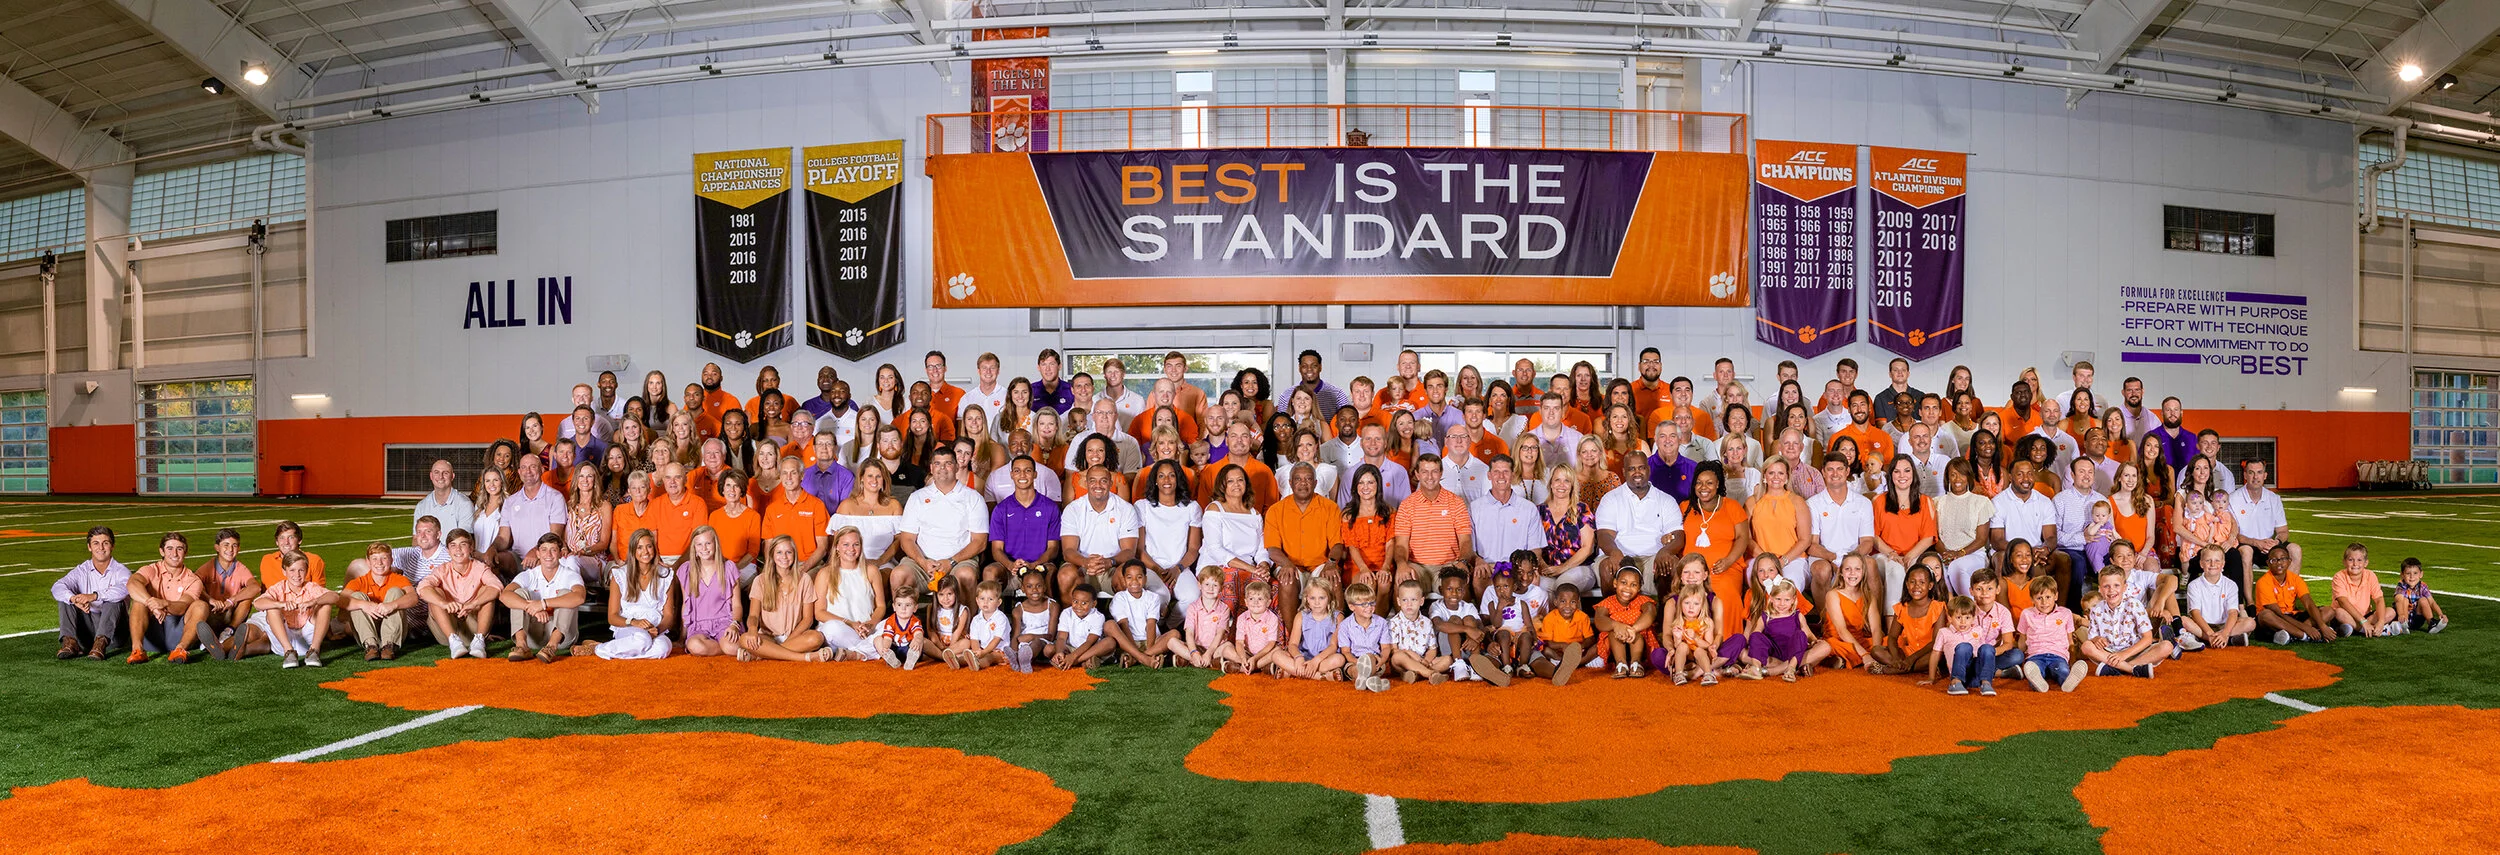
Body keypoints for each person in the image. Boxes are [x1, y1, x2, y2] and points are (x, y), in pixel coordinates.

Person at [895, 446, 991, 597]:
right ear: (931, 468)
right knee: (899, 574)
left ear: (957, 466)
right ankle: (904, 621)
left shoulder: (973, 498)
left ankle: (967, 620)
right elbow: (906, 539)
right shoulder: (917, 497)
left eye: (948, 463)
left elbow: (980, 542)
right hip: (922, 563)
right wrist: (923, 562)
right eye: (938, 464)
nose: (942, 468)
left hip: (959, 562)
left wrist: (951, 562)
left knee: (966, 575)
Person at [1594, 453, 1686, 595]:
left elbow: (1678, 535)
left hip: (1653, 558)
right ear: (1624, 472)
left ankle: (1664, 615)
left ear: (1648, 470)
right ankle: (1611, 614)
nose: (1637, 472)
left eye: (1641, 468)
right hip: (1621, 556)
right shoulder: (1611, 498)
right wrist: (1614, 552)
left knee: (1670, 563)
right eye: (1632, 469)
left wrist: (1666, 551)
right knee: (1607, 566)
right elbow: (1604, 535)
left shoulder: (1665, 500)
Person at [1392, 454, 1475, 595]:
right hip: (1417, 566)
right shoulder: (1407, 505)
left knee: (1459, 583)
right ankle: (1403, 618)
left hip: (1448, 565)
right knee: (1402, 583)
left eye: (1434, 471)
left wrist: (1463, 562)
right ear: (1417, 474)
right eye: (1424, 471)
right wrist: (1401, 565)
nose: (1430, 477)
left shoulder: (1456, 502)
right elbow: (1401, 545)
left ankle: (1462, 616)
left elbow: (1465, 540)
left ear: (1441, 473)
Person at [119, 532, 208, 664]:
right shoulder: (150, 569)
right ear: (162, 551)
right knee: (138, 602)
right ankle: (137, 650)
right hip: (151, 633)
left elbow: (182, 606)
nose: (175, 553)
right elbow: (132, 583)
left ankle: (180, 649)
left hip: (177, 632)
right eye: (169, 548)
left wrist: (163, 603)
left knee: (201, 605)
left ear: (185, 552)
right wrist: (151, 604)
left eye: (179, 549)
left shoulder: (194, 580)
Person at [500, 534, 587, 663]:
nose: (548, 554)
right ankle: (522, 646)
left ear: (560, 553)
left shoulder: (570, 575)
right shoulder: (529, 575)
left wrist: (543, 604)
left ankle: (551, 647)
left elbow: (579, 597)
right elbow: (504, 595)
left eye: (553, 549)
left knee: (567, 593)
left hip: (562, 636)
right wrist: (531, 607)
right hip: (533, 635)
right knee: (519, 593)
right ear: (538, 554)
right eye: (544, 550)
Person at [592, 529, 677, 660]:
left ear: (654, 549)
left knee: (664, 647)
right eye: (640, 548)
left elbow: (669, 615)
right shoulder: (620, 575)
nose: (645, 552)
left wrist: (658, 630)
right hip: (628, 627)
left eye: (649, 546)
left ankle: (616, 651)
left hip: (654, 628)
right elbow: (612, 617)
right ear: (633, 551)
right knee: (642, 640)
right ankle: (599, 649)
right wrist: (634, 622)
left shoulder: (665, 574)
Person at [739, 536, 827, 663]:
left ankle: (763, 654)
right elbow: (753, 615)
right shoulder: (760, 580)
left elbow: (807, 619)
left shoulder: (805, 579)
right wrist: (752, 630)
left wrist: (790, 639)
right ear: (772, 555)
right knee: (744, 639)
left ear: (794, 554)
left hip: (795, 636)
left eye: (788, 552)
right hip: (768, 637)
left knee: (816, 638)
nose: (784, 557)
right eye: (779, 552)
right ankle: (802, 657)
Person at [418, 529, 502, 659]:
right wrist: (444, 603)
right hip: (447, 629)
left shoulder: (480, 568)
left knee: (487, 590)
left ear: (471, 548)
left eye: (463, 544)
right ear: (448, 551)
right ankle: (454, 642)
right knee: (436, 592)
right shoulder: (442, 570)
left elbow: (497, 587)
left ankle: (479, 640)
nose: (458, 549)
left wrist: (473, 603)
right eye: (453, 545)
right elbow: (422, 588)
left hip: (472, 627)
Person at [242, 552, 336, 668]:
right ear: (284, 571)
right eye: (292, 570)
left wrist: (314, 602)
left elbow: (334, 597)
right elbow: (257, 603)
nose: (297, 575)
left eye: (301, 570)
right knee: (272, 608)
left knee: (325, 604)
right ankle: (289, 652)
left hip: (307, 640)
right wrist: (280, 604)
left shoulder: (311, 587)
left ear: (306, 571)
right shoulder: (278, 588)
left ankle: (314, 651)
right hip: (284, 641)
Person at [985, 455, 1063, 593]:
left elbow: (1053, 548)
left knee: (1051, 570)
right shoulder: (1001, 509)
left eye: (1027, 470)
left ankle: (1051, 611)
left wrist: (1035, 564)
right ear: (1011, 475)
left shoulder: (1050, 507)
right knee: (990, 571)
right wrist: (1010, 565)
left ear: (1035, 474)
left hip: (1039, 566)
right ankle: (991, 614)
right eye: (1017, 471)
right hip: (1010, 568)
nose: (1022, 475)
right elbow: (996, 549)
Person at [1804, 454, 1877, 601]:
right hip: (1824, 557)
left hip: (1855, 555)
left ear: (1847, 471)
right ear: (1823, 472)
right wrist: (1834, 558)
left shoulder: (1863, 503)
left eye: (1839, 469)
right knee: (1821, 570)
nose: (1835, 474)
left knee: (1871, 565)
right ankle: (1828, 622)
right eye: (1830, 470)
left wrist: (1848, 562)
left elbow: (1867, 542)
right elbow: (1812, 545)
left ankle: (1873, 621)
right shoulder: (1813, 503)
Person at [812, 527, 891, 663]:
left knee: (895, 622)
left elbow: (881, 606)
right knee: (831, 628)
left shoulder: (871, 571)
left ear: (861, 546)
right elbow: (819, 613)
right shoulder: (825, 574)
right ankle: (872, 650)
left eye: (856, 544)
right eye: (846, 544)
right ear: (837, 547)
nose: (851, 549)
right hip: (842, 630)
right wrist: (850, 624)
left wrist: (871, 624)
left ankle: (855, 653)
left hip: (867, 630)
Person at [1265, 461, 1342, 595]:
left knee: (1332, 579)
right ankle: (1291, 618)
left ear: (1315, 483)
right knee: (1287, 580)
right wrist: (1287, 564)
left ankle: (1337, 617)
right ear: (1290, 483)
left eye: (1308, 479)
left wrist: (1331, 563)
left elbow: (1337, 544)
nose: (1303, 483)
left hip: (1320, 564)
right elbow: (1272, 548)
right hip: (1289, 564)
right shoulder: (1276, 510)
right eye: (1298, 479)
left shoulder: (1330, 507)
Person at [2082, 567, 2173, 677]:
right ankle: (2132, 669)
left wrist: (2123, 655)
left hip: (2135, 652)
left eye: (2116, 585)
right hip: (2109, 653)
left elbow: (2147, 638)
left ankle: (2118, 668)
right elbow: (2092, 637)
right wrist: (2096, 639)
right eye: (2106, 586)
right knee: (2086, 646)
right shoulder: (2096, 610)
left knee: (2167, 646)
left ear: (2125, 587)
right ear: (2100, 589)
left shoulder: (2134, 605)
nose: (2111, 590)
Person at [2225, 460, 2295, 602]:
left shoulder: (2274, 498)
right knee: (2246, 552)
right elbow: (2234, 533)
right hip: (2246, 543)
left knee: (2295, 549)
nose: (2255, 477)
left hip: (2269, 545)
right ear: (2245, 475)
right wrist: (2255, 542)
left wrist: (2276, 542)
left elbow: (2283, 530)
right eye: (2251, 472)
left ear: (2265, 476)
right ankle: (2250, 603)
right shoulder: (2233, 498)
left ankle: (2287, 599)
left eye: (2259, 473)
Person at [342, 541, 419, 661]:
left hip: (393, 626)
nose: (379, 563)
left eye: (384, 558)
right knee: (356, 596)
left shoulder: (399, 579)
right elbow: (340, 600)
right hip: (368, 625)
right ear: (368, 562)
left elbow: (413, 598)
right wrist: (364, 605)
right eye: (375, 559)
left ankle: (389, 645)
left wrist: (392, 605)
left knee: (395, 592)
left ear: (391, 560)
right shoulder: (360, 581)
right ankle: (370, 645)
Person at [197, 527, 261, 658]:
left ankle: (229, 631)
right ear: (217, 548)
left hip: (231, 615)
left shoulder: (240, 568)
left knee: (247, 598)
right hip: (213, 613)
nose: (230, 550)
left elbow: (256, 588)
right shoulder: (208, 567)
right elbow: (192, 584)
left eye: (234, 545)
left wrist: (232, 600)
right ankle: (209, 636)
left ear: (239, 548)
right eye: (226, 545)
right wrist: (210, 600)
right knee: (198, 600)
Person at [2181, 545, 2256, 650]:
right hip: (2202, 626)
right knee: (2183, 620)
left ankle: (2210, 639)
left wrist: (2225, 633)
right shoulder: (2194, 585)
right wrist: (2210, 633)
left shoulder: (2231, 585)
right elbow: (2195, 613)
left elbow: (2233, 613)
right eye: (2208, 560)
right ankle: (2227, 639)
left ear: (2223, 564)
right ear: (2201, 564)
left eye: (2217, 561)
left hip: (2224, 625)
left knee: (2250, 623)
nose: (2213, 564)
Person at [1922, 597, 1996, 696]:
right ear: (1950, 618)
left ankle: (1986, 683)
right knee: (1965, 647)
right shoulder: (1944, 632)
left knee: (1988, 648)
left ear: (1973, 618)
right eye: (1958, 617)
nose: (1963, 622)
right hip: (1960, 674)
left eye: (1967, 618)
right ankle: (1955, 683)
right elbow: (1935, 653)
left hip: (1976, 675)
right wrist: (1931, 677)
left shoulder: (1978, 630)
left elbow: (1984, 653)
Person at [1592, 567, 1656, 679]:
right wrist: (1616, 625)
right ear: (1615, 583)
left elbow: (1650, 614)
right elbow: (1599, 620)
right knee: (1612, 632)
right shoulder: (1607, 602)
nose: (1627, 588)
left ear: (1639, 587)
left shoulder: (1643, 601)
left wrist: (1633, 629)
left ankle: (1636, 663)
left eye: (1633, 585)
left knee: (1637, 631)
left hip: (1639, 644)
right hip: (1615, 645)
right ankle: (1621, 664)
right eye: (1623, 583)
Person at [1385, 578, 1453, 684]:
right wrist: (1415, 657)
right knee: (1397, 657)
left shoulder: (1427, 622)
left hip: (1424, 660)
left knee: (1448, 659)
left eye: (1413, 600)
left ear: (1421, 601)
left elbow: (1432, 649)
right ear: (1398, 601)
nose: (1409, 604)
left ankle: (1415, 674)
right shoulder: (1394, 623)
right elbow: (1394, 650)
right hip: (1403, 662)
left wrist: (1426, 660)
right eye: (1404, 600)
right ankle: (1430, 674)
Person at [2327, 542, 2398, 639]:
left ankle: (2356, 628)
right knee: (2339, 612)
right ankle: (2366, 630)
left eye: (2359, 560)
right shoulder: (2339, 577)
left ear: (2366, 563)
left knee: (2391, 612)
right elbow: (2343, 602)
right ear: (2344, 562)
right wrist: (2363, 622)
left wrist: (2381, 621)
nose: (2355, 564)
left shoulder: (2370, 575)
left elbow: (2379, 599)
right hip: (2347, 614)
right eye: (2351, 560)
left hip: (2366, 615)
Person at [415, 459, 474, 539]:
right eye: (436, 472)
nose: (440, 476)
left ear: (452, 476)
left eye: (445, 473)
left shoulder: (465, 504)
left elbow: (464, 542)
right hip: (430, 551)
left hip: (454, 551)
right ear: (431, 476)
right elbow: (416, 539)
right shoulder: (421, 506)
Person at [2393, 558, 2448, 634]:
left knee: (2423, 600)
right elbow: (2398, 600)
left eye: (2415, 573)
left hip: (2417, 618)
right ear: (2402, 575)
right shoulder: (2401, 585)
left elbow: (2432, 602)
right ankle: (2404, 624)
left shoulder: (2423, 586)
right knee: (2404, 600)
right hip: (2402, 616)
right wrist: (2401, 615)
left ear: (2421, 574)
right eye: (2408, 573)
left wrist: (2440, 614)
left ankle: (2431, 623)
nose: (2412, 577)